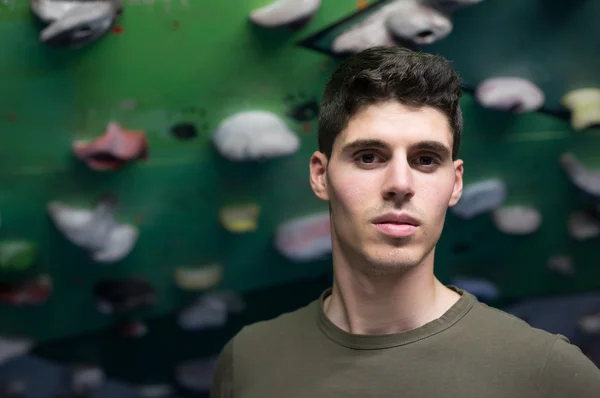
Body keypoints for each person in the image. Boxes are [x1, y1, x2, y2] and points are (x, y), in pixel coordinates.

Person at [210, 46, 600, 397]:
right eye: (368, 157)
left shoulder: (549, 375)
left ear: (455, 182)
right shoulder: (247, 360)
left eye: (426, 160)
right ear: (320, 176)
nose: (400, 184)